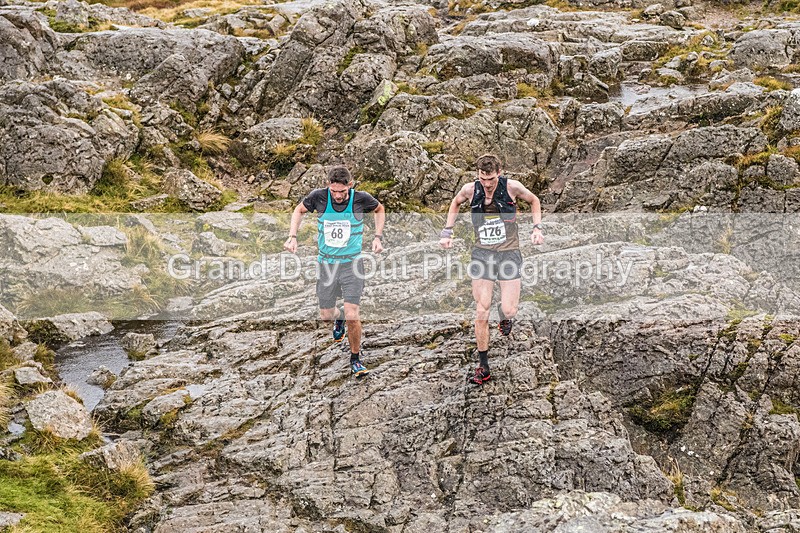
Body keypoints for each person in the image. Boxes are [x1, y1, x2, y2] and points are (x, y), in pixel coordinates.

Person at [439, 154, 544, 385]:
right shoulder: (470, 190)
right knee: (480, 310)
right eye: (483, 179)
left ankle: (503, 314)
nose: (487, 184)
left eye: (491, 179)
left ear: (500, 172)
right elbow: (455, 202)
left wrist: (537, 228)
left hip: (508, 253)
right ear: (478, 175)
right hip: (482, 254)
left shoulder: (512, 187)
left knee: (510, 309)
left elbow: (534, 200)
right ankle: (483, 365)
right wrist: (448, 230)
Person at [284, 165, 385, 377]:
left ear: (350, 185)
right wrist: (293, 237)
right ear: (328, 187)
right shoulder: (319, 197)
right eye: (334, 191)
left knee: (352, 314)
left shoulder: (360, 198)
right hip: (327, 265)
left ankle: (356, 359)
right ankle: (337, 318)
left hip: (352, 265)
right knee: (326, 316)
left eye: (342, 191)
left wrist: (377, 237)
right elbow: (298, 210)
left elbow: (379, 209)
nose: (338, 196)